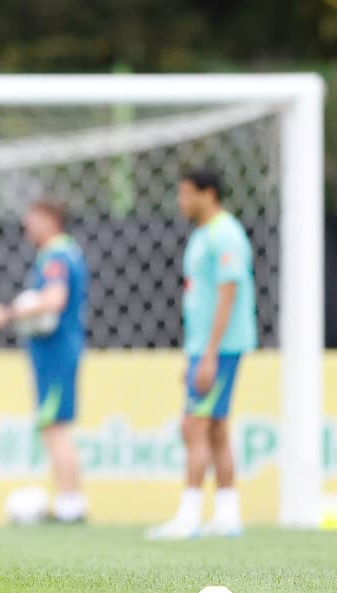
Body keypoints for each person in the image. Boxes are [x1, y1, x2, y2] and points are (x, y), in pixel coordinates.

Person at [147, 169, 256, 540]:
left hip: (221, 347)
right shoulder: (202, 235)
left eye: (188, 193)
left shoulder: (225, 234)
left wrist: (209, 354)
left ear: (209, 194)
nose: (182, 201)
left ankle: (189, 515)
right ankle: (228, 514)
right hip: (206, 348)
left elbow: (229, 293)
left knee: (193, 426)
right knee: (216, 430)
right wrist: (195, 354)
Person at [0, 200, 89, 523]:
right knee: (54, 425)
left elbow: (54, 300)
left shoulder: (56, 256)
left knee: (55, 428)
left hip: (56, 353)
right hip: (56, 352)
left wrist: (8, 313)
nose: (27, 226)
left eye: (33, 219)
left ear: (51, 219)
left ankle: (71, 506)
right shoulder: (63, 253)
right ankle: (70, 502)